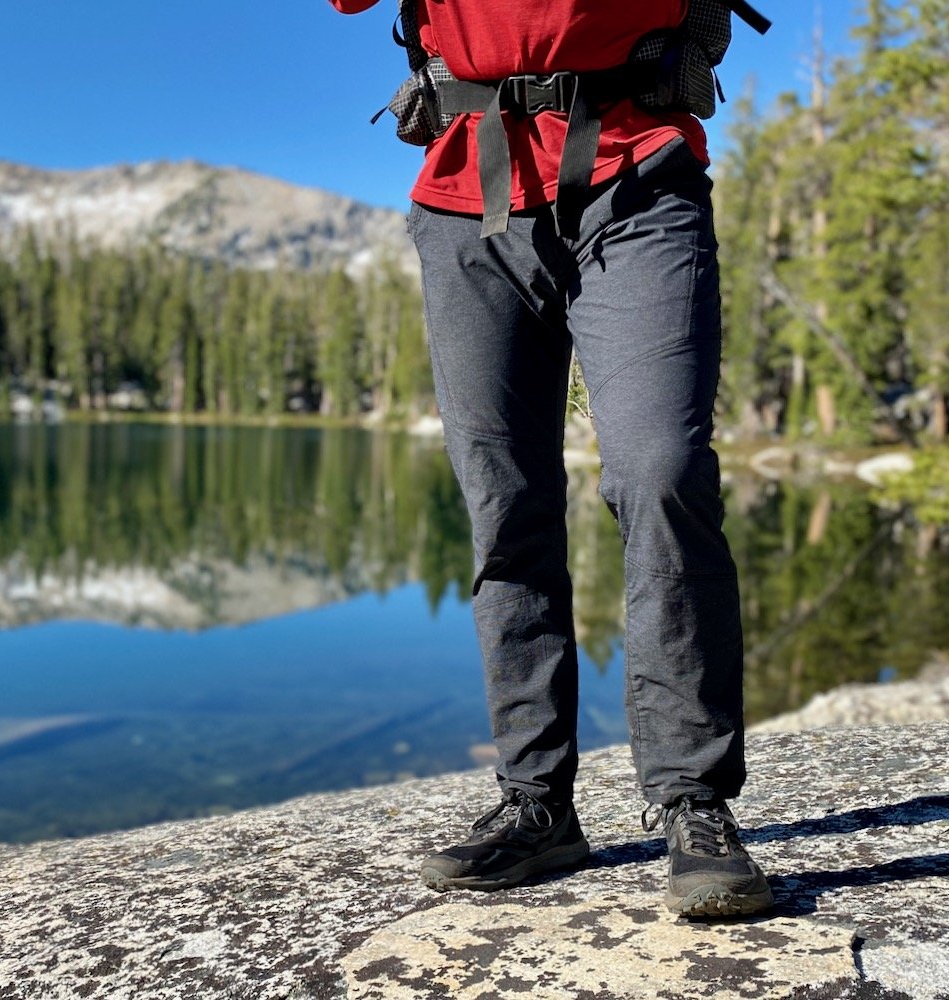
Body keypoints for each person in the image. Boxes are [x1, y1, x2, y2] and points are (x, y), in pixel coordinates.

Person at [325, 0, 773, 918]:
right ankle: (537, 806)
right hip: (467, 190)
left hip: (638, 167)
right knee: (506, 501)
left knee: (662, 471)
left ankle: (692, 802)